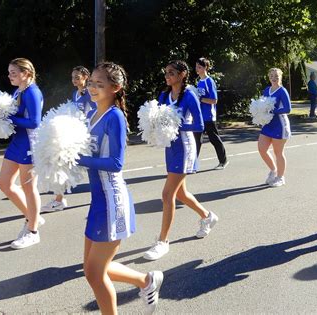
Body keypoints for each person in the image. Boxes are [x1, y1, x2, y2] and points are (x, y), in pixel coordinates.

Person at [78, 62, 163, 314]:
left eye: (99, 84)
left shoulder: (114, 116)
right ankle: (146, 281)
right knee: (91, 269)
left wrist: (77, 158)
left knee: (95, 274)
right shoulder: (93, 113)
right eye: (91, 82)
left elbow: (116, 163)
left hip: (112, 199)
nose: (92, 87)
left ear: (115, 88)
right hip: (97, 200)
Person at [143, 60, 218, 261]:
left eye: (171, 72)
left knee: (167, 195)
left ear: (183, 74)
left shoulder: (190, 96)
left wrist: (176, 125)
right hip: (170, 148)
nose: (167, 75)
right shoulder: (163, 95)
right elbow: (158, 119)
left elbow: (199, 125)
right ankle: (207, 216)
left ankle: (162, 241)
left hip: (185, 147)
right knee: (181, 193)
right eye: (166, 72)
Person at [0, 58, 44, 249]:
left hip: (29, 144)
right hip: (17, 141)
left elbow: (34, 122)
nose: (10, 76)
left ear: (27, 73)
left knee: (29, 188)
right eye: (9, 72)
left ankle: (33, 231)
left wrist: (8, 117)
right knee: (4, 183)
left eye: (14, 73)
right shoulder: (18, 90)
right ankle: (33, 217)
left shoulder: (32, 92)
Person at [41, 65, 96, 213]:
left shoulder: (90, 93)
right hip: (73, 133)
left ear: (86, 77)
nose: (74, 80)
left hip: (84, 134)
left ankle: (98, 196)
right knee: (63, 165)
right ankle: (59, 199)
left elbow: (94, 111)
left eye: (77, 77)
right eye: (72, 77)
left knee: (91, 167)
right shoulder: (75, 94)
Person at [258, 68, 292, 187]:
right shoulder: (267, 90)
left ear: (280, 77)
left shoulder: (282, 91)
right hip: (268, 124)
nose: (274, 78)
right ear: (269, 77)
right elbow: (262, 105)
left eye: (276, 76)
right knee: (262, 149)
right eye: (272, 75)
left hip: (280, 125)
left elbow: (288, 109)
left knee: (278, 152)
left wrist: (274, 111)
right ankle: (273, 170)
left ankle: (280, 177)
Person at [193, 57, 228, 170]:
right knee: (196, 140)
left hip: (208, 116)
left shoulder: (209, 81)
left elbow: (214, 100)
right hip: (200, 116)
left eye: (200, 67)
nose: (197, 69)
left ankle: (223, 161)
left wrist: (200, 99)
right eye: (196, 67)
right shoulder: (199, 82)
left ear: (206, 68)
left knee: (214, 139)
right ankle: (192, 164)